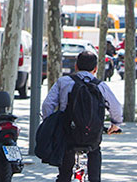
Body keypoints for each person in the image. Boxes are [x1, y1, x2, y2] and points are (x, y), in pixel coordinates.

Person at [41, 51, 123, 182]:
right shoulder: (101, 86)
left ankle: (64, 177)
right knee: (95, 150)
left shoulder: (63, 82)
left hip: (68, 134)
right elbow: (116, 108)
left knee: (65, 166)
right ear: (95, 69)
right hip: (92, 135)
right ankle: (95, 178)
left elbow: (47, 105)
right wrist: (115, 124)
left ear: (76, 66)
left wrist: (50, 122)